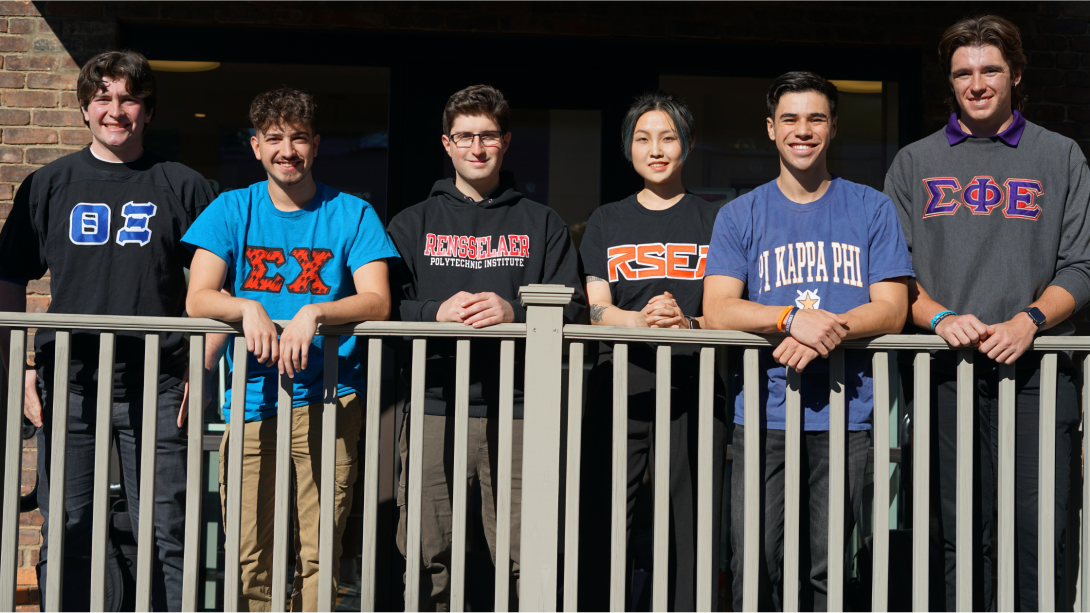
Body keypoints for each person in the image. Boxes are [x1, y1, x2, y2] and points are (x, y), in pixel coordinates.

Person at [884, 15, 1090, 609]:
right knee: (952, 531)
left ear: (1016, 75)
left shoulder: (1061, 156)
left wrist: (1030, 320)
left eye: (990, 70)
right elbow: (894, 280)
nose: (976, 84)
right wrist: (941, 317)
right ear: (950, 82)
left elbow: (1081, 266)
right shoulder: (914, 163)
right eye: (963, 73)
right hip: (944, 374)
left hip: (1037, 377)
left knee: (1036, 532)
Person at [0, 50, 217, 611]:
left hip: (162, 383)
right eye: (103, 98)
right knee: (68, 528)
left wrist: (204, 360)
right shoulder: (48, 184)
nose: (115, 110)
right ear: (83, 109)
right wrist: (19, 367)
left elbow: (218, 284)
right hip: (68, 383)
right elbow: (9, 277)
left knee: (167, 528)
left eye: (128, 99)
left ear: (147, 110)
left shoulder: (183, 185)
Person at [703, 72, 913, 610]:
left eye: (816, 118)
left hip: (847, 415)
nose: (803, 130)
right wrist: (791, 318)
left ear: (834, 127)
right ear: (771, 129)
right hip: (764, 414)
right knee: (755, 563)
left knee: (831, 567)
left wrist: (824, 330)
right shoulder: (740, 214)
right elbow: (718, 308)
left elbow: (892, 309)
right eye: (790, 119)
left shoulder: (871, 207)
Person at [183, 88, 399, 611]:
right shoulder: (232, 208)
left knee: (321, 549)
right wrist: (247, 308)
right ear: (255, 146)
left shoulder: (352, 213)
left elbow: (377, 301)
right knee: (250, 550)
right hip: (252, 401)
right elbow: (199, 298)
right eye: (274, 138)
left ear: (316, 145)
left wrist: (317, 312)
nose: (287, 149)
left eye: (298, 137)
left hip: (331, 398)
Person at [385, 84, 585, 610]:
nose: (477, 147)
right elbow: (382, 306)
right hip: (433, 405)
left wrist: (516, 312)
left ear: (506, 141)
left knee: (524, 554)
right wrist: (435, 314)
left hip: (520, 408)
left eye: (488, 136)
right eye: (465, 136)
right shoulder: (412, 224)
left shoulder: (542, 224)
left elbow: (574, 307)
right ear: (446, 144)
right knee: (428, 554)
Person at [576, 91, 725, 610]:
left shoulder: (717, 220)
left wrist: (689, 322)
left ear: (686, 143)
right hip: (619, 379)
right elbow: (597, 306)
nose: (655, 149)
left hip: (695, 380)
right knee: (604, 512)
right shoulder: (606, 220)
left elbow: (728, 305)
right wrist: (639, 321)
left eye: (667, 137)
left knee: (693, 517)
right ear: (628, 149)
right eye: (643, 138)